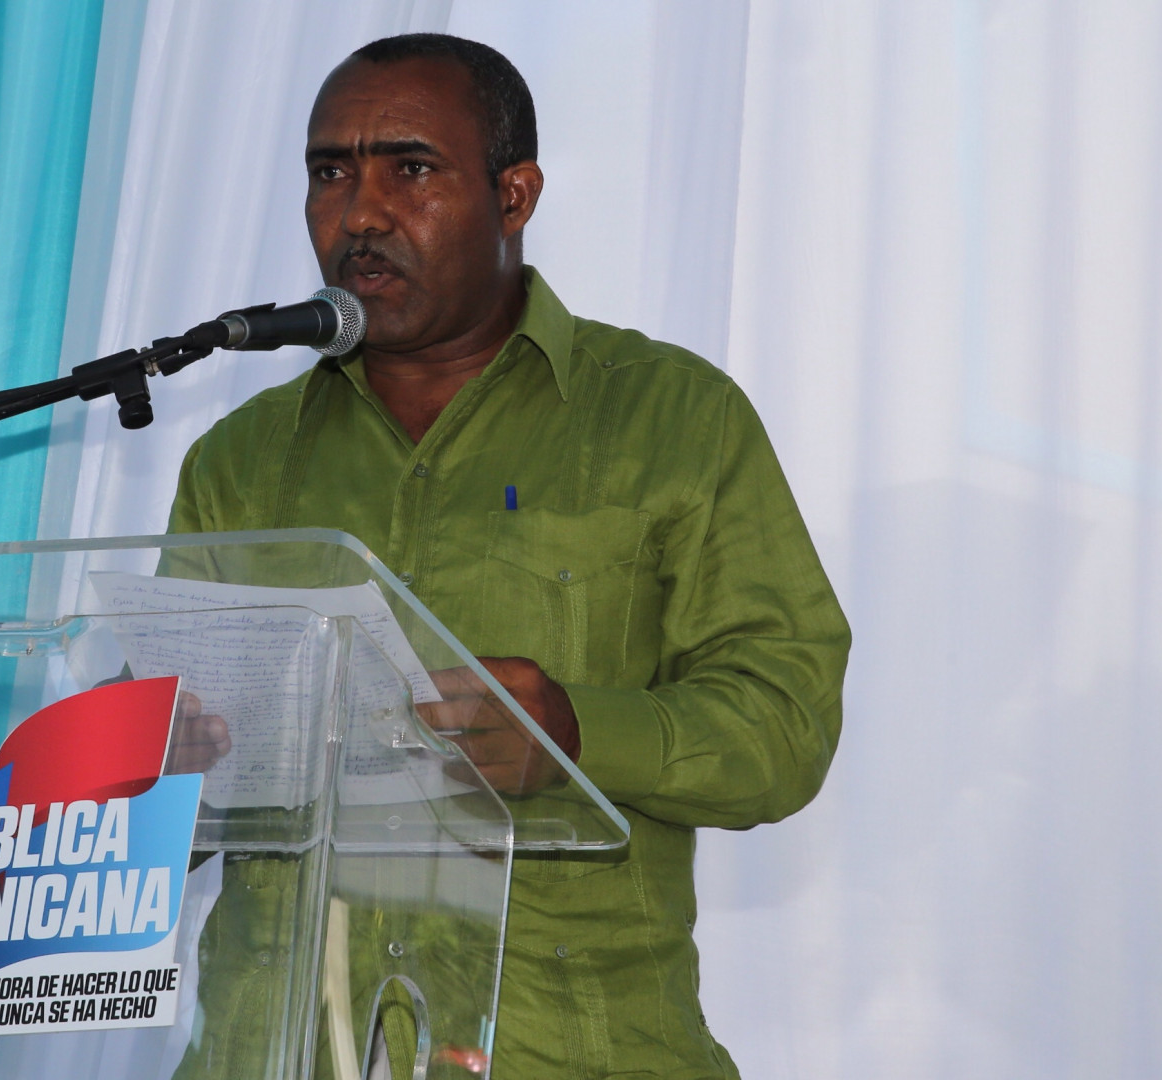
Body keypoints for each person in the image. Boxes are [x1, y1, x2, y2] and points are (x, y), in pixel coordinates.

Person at [166, 33, 850, 1079]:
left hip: (566, 1051)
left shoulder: (673, 420)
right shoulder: (241, 461)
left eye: (410, 168)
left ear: (515, 194)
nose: (362, 213)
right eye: (331, 173)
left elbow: (784, 725)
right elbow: (177, 789)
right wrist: (158, 770)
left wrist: (577, 731)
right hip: (277, 1051)